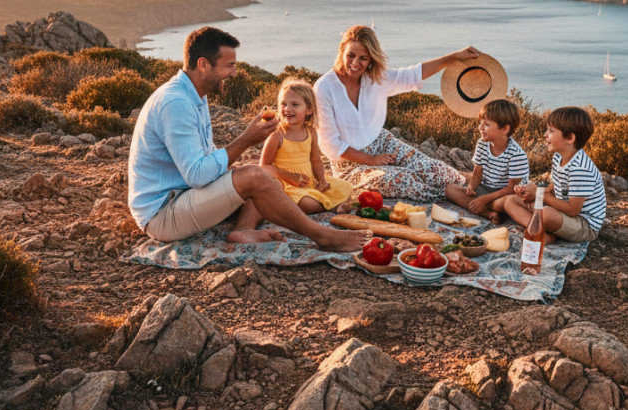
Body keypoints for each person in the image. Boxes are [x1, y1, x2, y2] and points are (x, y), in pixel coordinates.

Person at [127, 26, 369, 251]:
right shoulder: (176, 103)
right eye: (229, 65)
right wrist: (246, 140)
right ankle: (322, 236)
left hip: (183, 197)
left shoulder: (194, 97)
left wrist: (245, 177)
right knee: (254, 175)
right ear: (203, 64)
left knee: (262, 179)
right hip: (162, 216)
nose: (234, 72)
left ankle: (243, 230)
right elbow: (198, 175)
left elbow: (208, 159)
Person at [314, 25, 478, 201]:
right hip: (348, 165)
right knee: (403, 179)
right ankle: (457, 196)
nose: (355, 63)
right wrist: (371, 159)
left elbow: (411, 75)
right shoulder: (324, 88)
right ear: (342, 51)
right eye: (350, 55)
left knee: (432, 169)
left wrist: (453, 57)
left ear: (371, 60)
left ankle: (468, 182)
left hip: (382, 143)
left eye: (363, 58)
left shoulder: (375, 78)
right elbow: (330, 144)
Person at [503, 106, 606, 243]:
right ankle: (541, 231)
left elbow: (573, 210)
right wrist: (535, 192)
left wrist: (540, 195)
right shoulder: (559, 156)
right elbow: (556, 184)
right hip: (561, 213)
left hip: (583, 225)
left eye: (551, 131)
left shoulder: (580, 169)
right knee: (511, 200)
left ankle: (542, 231)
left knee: (545, 214)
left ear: (570, 138)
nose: (545, 134)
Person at [259, 78, 353, 214]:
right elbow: (264, 167)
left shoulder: (311, 132)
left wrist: (321, 180)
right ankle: (332, 206)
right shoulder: (277, 134)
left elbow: (315, 161)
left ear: (309, 109)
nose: (287, 109)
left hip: (309, 182)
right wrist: (289, 176)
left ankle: (329, 202)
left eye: (295, 105)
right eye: (283, 104)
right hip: (287, 184)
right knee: (307, 204)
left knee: (345, 187)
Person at [444, 98, 529, 224]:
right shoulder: (482, 144)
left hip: (504, 193)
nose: (481, 127)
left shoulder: (516, 155)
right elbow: (477, 173)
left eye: (487, 124)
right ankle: (488, 213)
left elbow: (512, 188)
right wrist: (471, 187)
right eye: (481, 122)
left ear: (505, 129)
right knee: (449, 189)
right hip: (485, 188)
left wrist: (485, 199)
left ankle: (487, 206)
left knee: (507, 202)